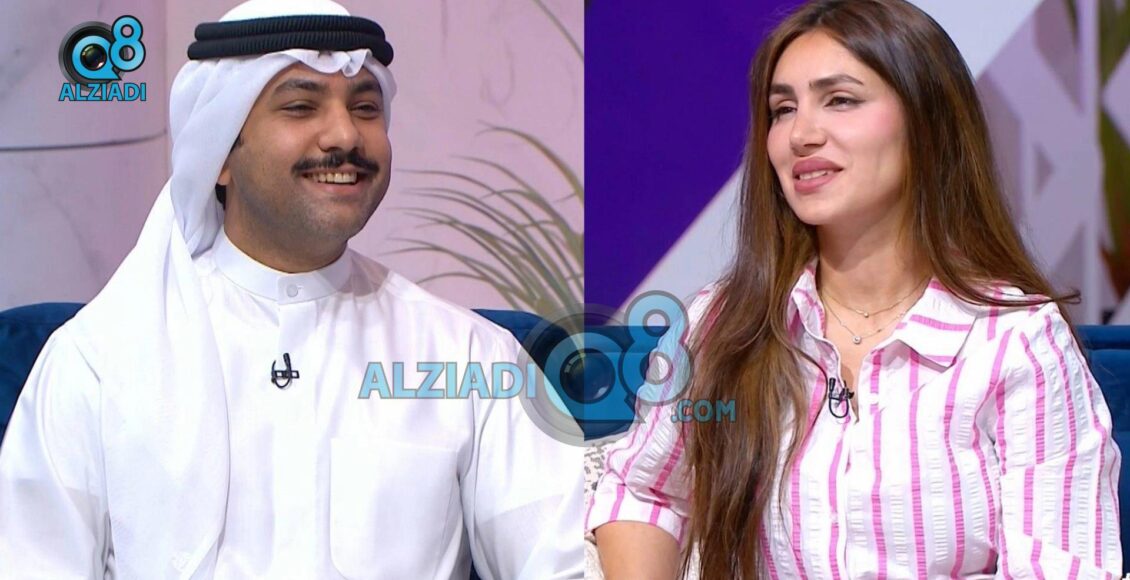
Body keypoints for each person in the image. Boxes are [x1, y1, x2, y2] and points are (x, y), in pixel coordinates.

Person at [0, 1, 583, 578]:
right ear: (219, 153)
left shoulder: (471, 357)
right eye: (301, 106)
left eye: (365, 108)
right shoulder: (98, 359)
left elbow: (561, 563)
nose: (345, 134)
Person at [588, 0, 1121, 578]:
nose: (801, 135)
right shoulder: (722, 322)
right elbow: (643, 492)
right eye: (782, 109)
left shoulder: (1015, 341)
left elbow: (1062, 567)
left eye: (840, 100)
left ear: (926, 119)